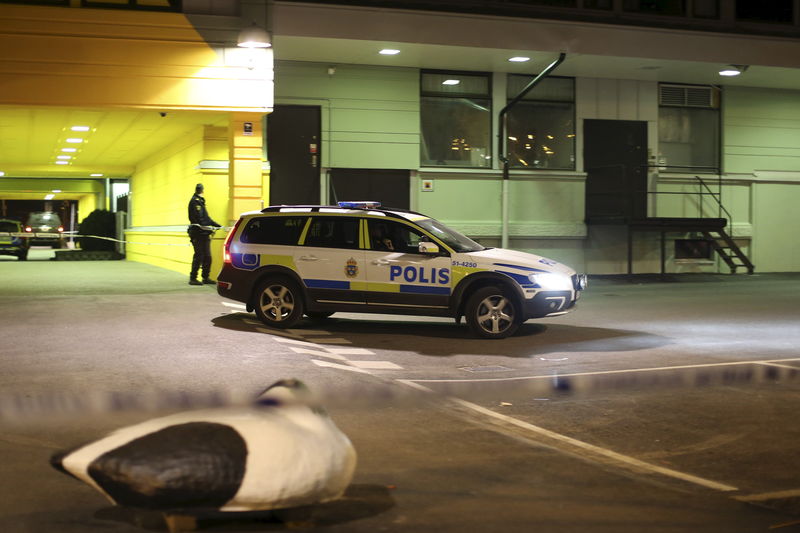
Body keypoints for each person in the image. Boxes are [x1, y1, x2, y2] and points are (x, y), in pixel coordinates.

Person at [187, 183, 221, 285]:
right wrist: (207, 228)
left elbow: (206, 218)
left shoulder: (201, 201)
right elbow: (196, 219)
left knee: (207, 257)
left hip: (205, 234)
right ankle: (193, 278)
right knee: (199, 256)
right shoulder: (194, 202)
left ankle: (205, 277)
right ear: (202, 191)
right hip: (197, 234)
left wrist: (217, 225)